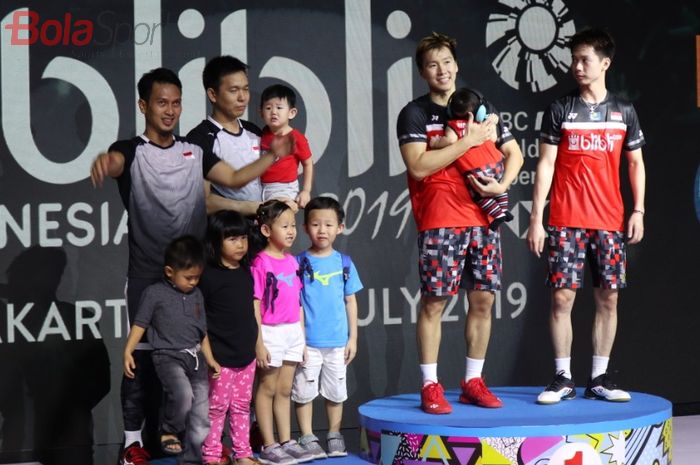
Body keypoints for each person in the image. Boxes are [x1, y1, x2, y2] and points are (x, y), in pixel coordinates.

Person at [90, 67, 287, 465]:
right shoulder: (132, 150)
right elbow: (114, 162)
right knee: (144, 359)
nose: (170, 110)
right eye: (161, 103)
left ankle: (201, 441)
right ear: (144, 105)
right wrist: (104, 162)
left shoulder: (194, 151)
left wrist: (269, 157)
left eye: (176, 103)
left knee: (198, 361)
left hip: (196, 277)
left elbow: (232, 176)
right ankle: (132, 444)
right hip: (149, 276)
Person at [396, 31, 524, 414]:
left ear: (457, 65)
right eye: (433, 64)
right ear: (423, 72)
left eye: (447, 62)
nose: (442, 70)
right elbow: (418, 166)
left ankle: (472, 380)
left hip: (483, 220)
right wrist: (467, 142)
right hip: (439, 219)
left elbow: (513, 153)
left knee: (483, 301)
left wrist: (501, 183)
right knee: (435, 302)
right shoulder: (415, 113)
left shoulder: (478, 104)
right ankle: (430, 385)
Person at [527, 27, 646, 405]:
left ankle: (599, 378)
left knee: (608, 299)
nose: (577, 66)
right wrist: (535, 219)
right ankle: (562, 377)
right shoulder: (561, 109)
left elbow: (636, 164)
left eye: (585, 60)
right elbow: (545, 165)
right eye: (574, 59)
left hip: (609, 221)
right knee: (562, 299)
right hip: (564, 220)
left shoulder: (624, 110)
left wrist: (638, 210)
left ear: (604, 63)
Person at [122, 235, 220, 465]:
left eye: (197, 277)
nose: (194, 282)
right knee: (183, 395)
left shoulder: (196, 295)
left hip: (195, 358)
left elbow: (201, 331)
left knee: (201, 417)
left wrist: (211, 358)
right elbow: (140, 324)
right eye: (188, 277)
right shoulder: (154, 293)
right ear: (169, 272)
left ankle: (191, 460)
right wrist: (128, 351)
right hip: (168, 357)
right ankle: (168, 429)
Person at [292, 197, 363, 458]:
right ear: (304, 228)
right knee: (304, 392)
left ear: (340, 228)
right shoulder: (297, 263)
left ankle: (334, 434)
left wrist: (352, 338)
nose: (322, 230)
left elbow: (351, 302)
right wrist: (298, 342)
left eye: (329, 224)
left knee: (336, 392)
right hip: (308, 343)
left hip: (337, 343)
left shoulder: (344, 262)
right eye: (315, 224)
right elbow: (296, 305)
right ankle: (307, 437)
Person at [187, 56, 297, 216]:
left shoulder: (254, 131)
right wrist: (251, 208)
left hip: (263, 232)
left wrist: (287, 201)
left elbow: (275, 177)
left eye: (245, 89)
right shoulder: (199, 139)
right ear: (212, 94)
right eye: (233, 90)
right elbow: (204, 202)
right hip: (229, 234)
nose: (242, 97)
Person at [250, 200, 314, 465]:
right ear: (266, 230)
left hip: (292, 333)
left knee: (285, 389)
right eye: (284, 226)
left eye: (292, 226)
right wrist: (259, 342)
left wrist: (302, 340)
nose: (291, 231)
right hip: (270, 332)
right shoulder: (260, 262)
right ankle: (269, 444)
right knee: (267, 387)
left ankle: (287, 440)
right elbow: (255, 304)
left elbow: (297, 303)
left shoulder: (291, 261)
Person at [199, 211, 259, 465]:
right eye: (232, 239)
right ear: (215, 241)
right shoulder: (208, 277)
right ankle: (211, 454)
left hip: (246, 356)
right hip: (219, 359)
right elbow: (199, 322)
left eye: (243, 238)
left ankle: (243, 453)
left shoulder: (247, 271)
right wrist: (210, 357)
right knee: (216, 408)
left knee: (242, 406)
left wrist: (257, 347)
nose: (240, 244)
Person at [430, 87, 514, 230]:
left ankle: (498, 215)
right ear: (480, 110)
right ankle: (504, 209)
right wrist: (492, 123)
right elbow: (494, 138)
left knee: (479, 195)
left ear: (450, 111)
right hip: (497, 164)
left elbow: (450, 141)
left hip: (477, 170)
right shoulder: (483, 124)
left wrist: (436, 142)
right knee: (499, 186)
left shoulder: (453, 125)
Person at [258, 84, 314, 208]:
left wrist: (306, 191)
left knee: (279, 221)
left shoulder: (296, 138)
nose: (273, 112)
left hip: (284, 188)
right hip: (259, 187)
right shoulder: (260, 134)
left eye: (279, 107)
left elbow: (308, 163)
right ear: (261, 113)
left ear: (291, 113)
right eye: (268, 108)